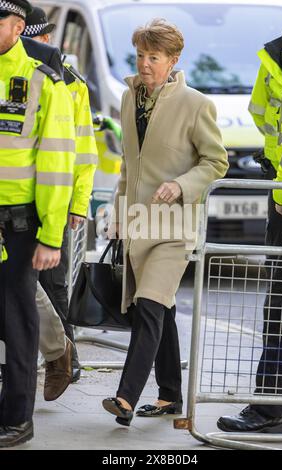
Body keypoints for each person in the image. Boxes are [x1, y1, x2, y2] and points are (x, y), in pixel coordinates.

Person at [102, 18, 228, 427]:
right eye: (140, 55)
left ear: (173, 60)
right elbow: (127, 164)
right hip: (138, 224)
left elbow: (216, 162)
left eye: (153, 57)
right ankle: (171, 395)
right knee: (164, 310)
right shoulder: (128, 98)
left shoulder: (196, 104)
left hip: (173, 228)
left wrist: (181, 184)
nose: (144, 64)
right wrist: (118, 216)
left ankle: (125, 397)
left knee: (149, 307)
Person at [217, 9, 282, 435]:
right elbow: (268, 120)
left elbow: (270, 120)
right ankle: (270, 409)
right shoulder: (275, 56)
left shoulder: (278, 56)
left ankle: (270, 410)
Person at [0, 0, 75, 447]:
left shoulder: (43, 81)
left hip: (19, 224)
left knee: (17, 321)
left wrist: (51, 235)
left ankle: (17, 419)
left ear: (17, 27)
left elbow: (56, 164)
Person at [22, 6, 98, 386]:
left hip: (54, 202)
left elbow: (84, 153)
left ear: (45, 39)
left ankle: (65, 357)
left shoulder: (71, 83)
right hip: (18, 196)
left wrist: (78, 204)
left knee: (51, 288)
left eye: (30, 38)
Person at [249, 0, 282, 249]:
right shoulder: (273, 57)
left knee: (280, 254)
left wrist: (279, 145)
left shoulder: (273, 57)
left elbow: (258, 111)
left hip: (281, 171)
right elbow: (258, 110)